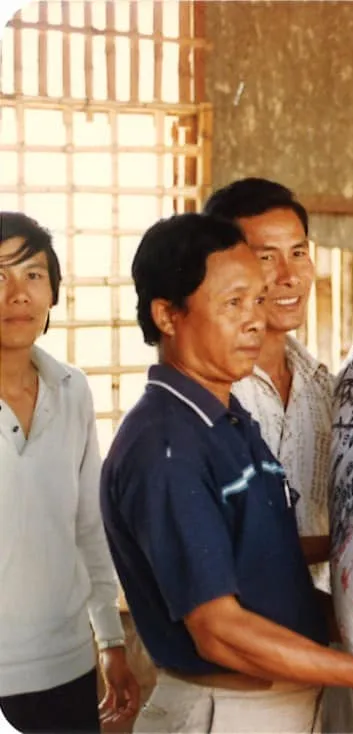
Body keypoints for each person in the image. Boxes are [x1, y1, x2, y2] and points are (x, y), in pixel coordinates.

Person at [100, 213, 353, 732]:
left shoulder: (228, 420)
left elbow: (257, 553)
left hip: (281, 706)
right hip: (226, 713)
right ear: (168, 315)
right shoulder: (167, 446)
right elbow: (222, 632)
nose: (255, 320)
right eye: (233, 303)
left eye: (258, 300)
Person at [204, 178, 353, 733]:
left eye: (299, 252)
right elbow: (229, 553)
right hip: (245, 679)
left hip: (331, 662)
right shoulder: (208, 398)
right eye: (265, 257)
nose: (290, 275)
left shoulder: (329, 387)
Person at [0, 212, 139, 732]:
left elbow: (88, 525)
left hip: (66, 662)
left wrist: (109, 639)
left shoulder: (71, 389)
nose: (18, 294)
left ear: (53, 292)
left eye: (33, 275)